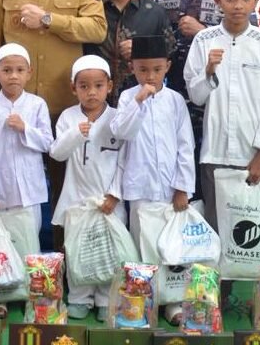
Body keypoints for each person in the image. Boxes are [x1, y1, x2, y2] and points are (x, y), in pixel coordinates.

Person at [184, 0, 260, 228]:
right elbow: (196, 97)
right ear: (217, 0)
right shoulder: (204, 40)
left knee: (256, 233)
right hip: (215, 155)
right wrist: (208, 72)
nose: (238, 5)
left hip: (256, 157)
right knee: (218, 230)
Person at [110, 34, 195, 324]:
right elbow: (122, 132)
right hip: (140, 188)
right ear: (133, 68)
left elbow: (185, 145)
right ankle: (142, 302)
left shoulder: (175, 101)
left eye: (156, 69)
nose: (150, 75)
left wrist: (183, 187)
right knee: (141, 245)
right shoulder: (126, 97)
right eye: (143, 69)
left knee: (170, 248)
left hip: (170, 190)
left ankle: (172, 302)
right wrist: (137, 102)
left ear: (167, 67)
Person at [0, 43, 54, 318]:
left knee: (29, 242)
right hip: (1, 192)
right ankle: (0, 295)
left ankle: (30, 293)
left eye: (19, 70)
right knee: (2, 246)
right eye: (7, 70)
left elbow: (47, 142)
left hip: (30, 191)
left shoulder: (36, 105)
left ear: (29, 73)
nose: (13, 76)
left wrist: (25, 129)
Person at [50, 55, 124, 322]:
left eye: (98, 86)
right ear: (74, 88)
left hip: (108, 202)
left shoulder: (118, 118)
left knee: (107, 251)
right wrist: (75, 134)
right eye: (84, 86)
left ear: (109, 86)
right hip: (77, 198)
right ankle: (80, 297)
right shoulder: (68, 118)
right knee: (78, 249)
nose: (91, 92)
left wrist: (114, 194)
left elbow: (125, 161)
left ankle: (106, 299)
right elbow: (57, 153)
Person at [155, 0, 228, 175]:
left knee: (214, 176)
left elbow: (248, 42)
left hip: (218, 101)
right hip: (176, 99)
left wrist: (203, 32)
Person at [83, 0, 171, 103]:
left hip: (142, 103)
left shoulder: (155, 13)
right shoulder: (90, 10)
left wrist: (142, 49)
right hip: (96, 104)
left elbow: (168, 57)